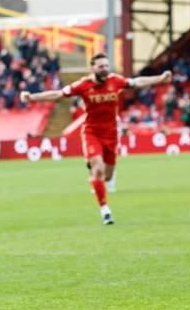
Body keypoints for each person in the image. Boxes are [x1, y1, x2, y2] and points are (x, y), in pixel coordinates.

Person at [20, 53, 171, 225]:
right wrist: (32, 97)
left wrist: (160, 78)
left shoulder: (116, 80)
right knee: (98, 169)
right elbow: (58, 94)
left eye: (107, 66)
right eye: (101, 66)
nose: (105, 69)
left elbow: (137, 82)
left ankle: (95, 173)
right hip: (92, 132)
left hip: (112, 134)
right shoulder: (83, 85)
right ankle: (105, 210)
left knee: (106, 176)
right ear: (92, 68)